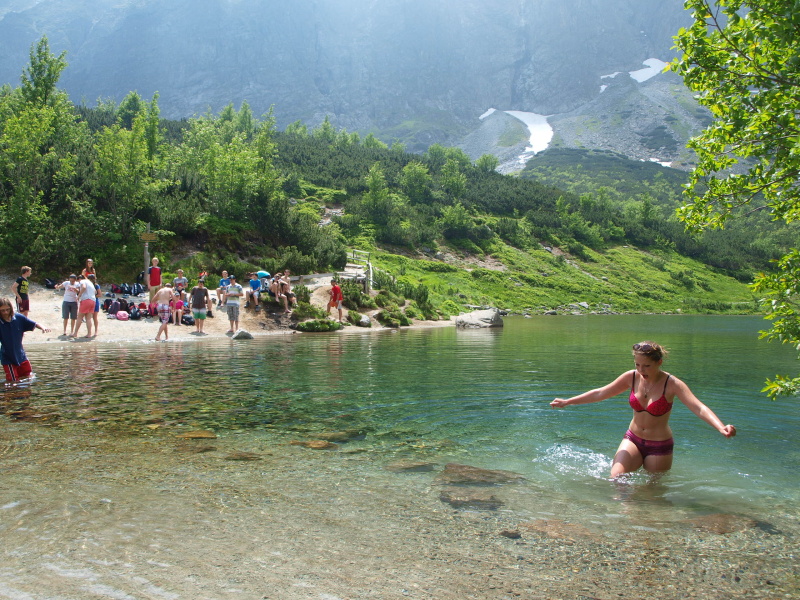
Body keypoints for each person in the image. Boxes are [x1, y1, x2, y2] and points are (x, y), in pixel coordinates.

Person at [550, 341, 737, 478]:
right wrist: (568, 402)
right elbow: (600, 393)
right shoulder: (631, 377)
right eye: (637, 365)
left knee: (652, 493)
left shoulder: (672, 384)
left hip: (659, 446)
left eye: (647, 366)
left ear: (659, 363)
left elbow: (698, 407)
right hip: (633, 438)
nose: (641, 370)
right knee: (616, 479)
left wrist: (720, 427)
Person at [0, 297, 50, 383]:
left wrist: (43, 327)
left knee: (29, 376)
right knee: (13, 382)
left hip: (21, 355)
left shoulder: (18, 318)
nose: (5, 312)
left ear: (11, 308)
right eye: (2, 310)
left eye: (7, 309)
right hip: (8, 358)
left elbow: (34, 324)